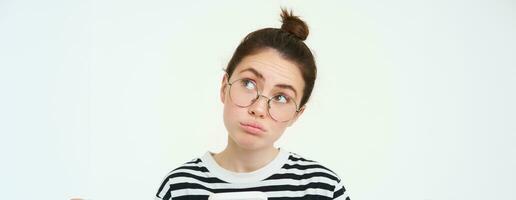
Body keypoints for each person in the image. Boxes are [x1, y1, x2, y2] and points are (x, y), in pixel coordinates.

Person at [155, 8, 351, 200]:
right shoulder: (178, 188)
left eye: (281, 97)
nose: (258, 109)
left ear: (297, 114)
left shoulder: (323, 189)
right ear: (225, 87)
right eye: (248, 84)